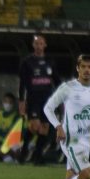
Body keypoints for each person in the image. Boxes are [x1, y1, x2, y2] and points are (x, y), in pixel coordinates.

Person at [19, 34, 60, 164]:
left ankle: (38, 156)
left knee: (44, 128)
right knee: (34, 126)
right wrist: (21, 100)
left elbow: (56, 80)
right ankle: (24, 149)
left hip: (47, 99)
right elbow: (22, 83)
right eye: (36, 43)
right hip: (33, 98)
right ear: (33, 45)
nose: (38, 46)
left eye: (41, 43)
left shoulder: (50, 61)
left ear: (45, 45)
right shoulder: (27, 62)